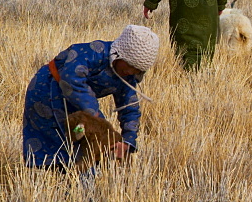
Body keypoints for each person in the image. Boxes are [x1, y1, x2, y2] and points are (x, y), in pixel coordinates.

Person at [22, 24, 159, 171]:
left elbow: (129, 108)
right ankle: (58, 184)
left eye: (137, 70)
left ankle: (76, 184)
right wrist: (96, 119)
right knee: (59, 144)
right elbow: (71, 79)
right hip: (48, 91)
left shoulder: (127, 76)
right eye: (129, 65)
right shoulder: (93, 52)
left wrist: (128, 141)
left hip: (80, 104)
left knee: (88, 144)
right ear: (118, 54)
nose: (130, 71)